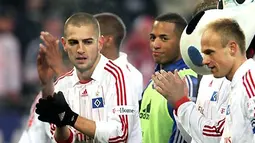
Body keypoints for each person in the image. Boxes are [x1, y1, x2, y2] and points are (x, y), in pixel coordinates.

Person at [153, 18, 255, 143]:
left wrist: (181, 103)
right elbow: (219, 133)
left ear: (232, 48)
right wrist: (181, 103)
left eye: (210, 52)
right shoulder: (237, 84)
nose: (204, 61)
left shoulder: (250, 80)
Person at [139, 13, 198, 143]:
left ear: (182, 42)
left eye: (164, 38)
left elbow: (186, 135)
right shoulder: (153, 80)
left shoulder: (186, 81)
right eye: (152, 38)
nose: (155, 44)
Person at [94, 12, 144, 101]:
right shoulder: (90, 70)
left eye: (89, 39)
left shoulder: (127, 77)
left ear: (107, 40)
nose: (83, 45)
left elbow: (121, 115)